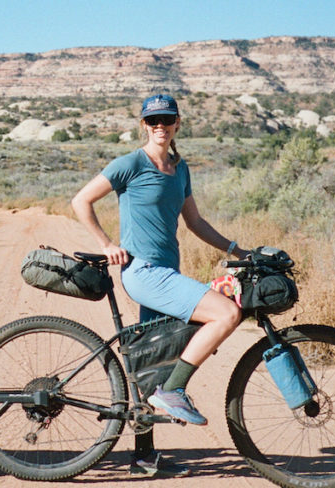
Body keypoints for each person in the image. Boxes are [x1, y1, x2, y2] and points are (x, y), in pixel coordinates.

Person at [71, 93, 250, 477]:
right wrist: (106, 244)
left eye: (167, 119)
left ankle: (143, 457)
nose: (160, 126)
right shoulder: (130, 163)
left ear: (177, 123)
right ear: (144, 125)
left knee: (151, 363)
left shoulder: (179, 169)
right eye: (153, 120)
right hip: (145, 273)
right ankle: (174, 390)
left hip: (166, 271)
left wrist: (236, 250)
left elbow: (194, 222)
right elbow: (81, 201)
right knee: (226, 314)